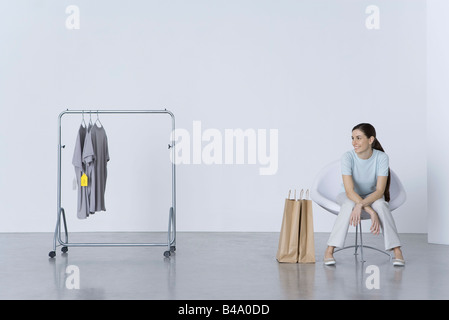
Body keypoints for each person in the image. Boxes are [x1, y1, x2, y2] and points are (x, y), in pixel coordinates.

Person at [323, 123, 405, 266]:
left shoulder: (382, 157)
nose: (354, 142)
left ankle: (397, 251)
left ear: (371, 139)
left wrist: (361, 205)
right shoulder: (348, 157)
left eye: (358, 138)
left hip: (372, 195)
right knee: (349, 204)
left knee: (381, 204)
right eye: (352, 138)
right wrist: (371, 212)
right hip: (349, 195)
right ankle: (329, 250)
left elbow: (379, 191)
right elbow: (349, 191)